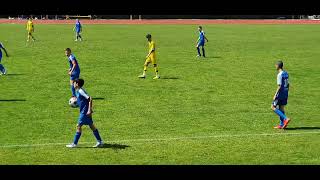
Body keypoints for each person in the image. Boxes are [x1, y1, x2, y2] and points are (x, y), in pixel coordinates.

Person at [66, 79, 104, 148]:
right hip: (85, 111)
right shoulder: (78, 91)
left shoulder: (80, 91)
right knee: (92, 126)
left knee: (78, 126)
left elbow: (90, 99)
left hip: (85, 112)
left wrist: (89, 110)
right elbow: (82, 101)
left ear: (77, 84)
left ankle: (74, 144)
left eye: (74, 83)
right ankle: (100, 141)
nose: (73, 84)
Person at [271, 60, 291, 129]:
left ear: (277, 66)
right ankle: (281, 124)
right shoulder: (286, 73)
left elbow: (279, 86)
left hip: (280, 93)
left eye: (275, 65)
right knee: (281, 108)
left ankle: (286, 118)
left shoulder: (279, 75)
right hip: (285, 92)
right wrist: (287, 92)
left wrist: (275, 94)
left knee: (273, 107)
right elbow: (288, 84)